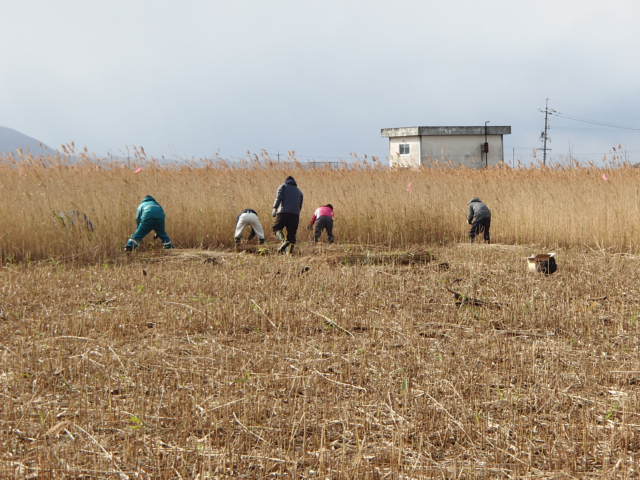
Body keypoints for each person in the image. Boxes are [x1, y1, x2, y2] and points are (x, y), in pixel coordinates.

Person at [272, 176, 303, 254]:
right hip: (295, 215)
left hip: (283, 213)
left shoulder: (283, 186)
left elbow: (278, 198)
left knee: (276, 228)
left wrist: (274, 208)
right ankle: (289, 253)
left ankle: (283, 241)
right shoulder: (299, 191)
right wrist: (296, 214)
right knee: (292, 235)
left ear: (286, 181)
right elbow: (300, 206)